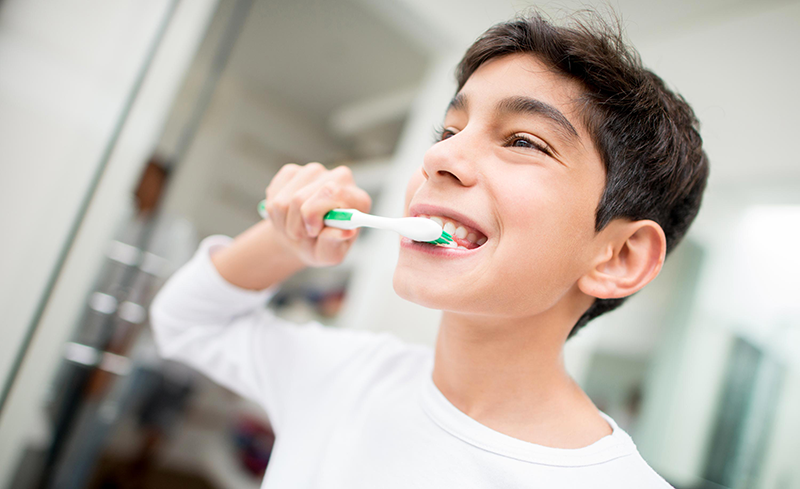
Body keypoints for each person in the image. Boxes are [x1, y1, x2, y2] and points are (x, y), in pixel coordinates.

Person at [149, 9, 708, 488]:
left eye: (522, 141)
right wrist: (285, 239)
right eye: (448, 131)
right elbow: (186, 322)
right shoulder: (346, 375)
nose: (439, 159)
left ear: (619, 257)